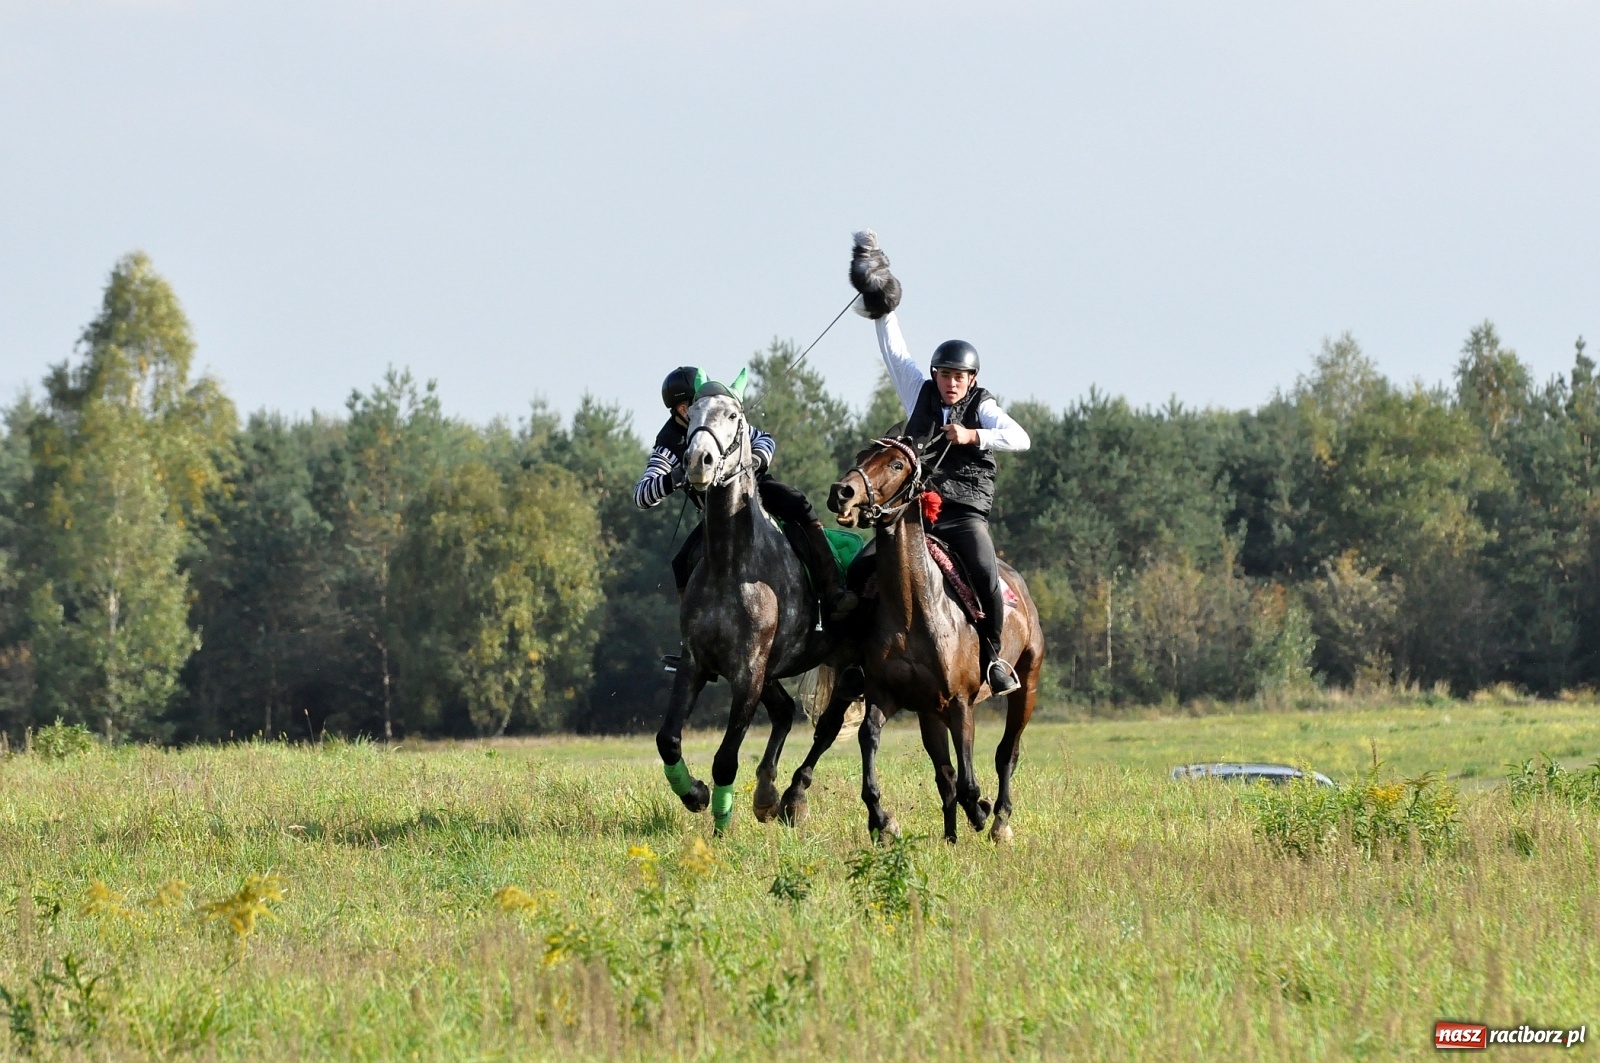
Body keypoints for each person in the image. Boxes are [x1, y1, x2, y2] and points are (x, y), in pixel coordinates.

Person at [849, 230, 1029, 696]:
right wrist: (881, 302)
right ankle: (853, 660)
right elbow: (895, 351)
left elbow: (1020, 438)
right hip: (916, 515)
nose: (950, 384)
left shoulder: (983, 406)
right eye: (945, 375)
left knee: (987, 577)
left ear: (971, 379)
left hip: (963, 513)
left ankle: (994, 661)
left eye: (959, 377)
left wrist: (973, 434)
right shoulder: (920, 393)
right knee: (859, 573)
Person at [635, 367, 857, 650]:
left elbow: (765, 438)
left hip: (757, 489)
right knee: (681, 563)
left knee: (798, 503)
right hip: (718, 518)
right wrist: (677, 476)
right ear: (682, 409)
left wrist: (756, 458)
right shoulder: (667, 445)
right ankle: (693, 642)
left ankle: (832, 589)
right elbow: (642, 495)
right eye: (698, 403)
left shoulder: (722, 417)